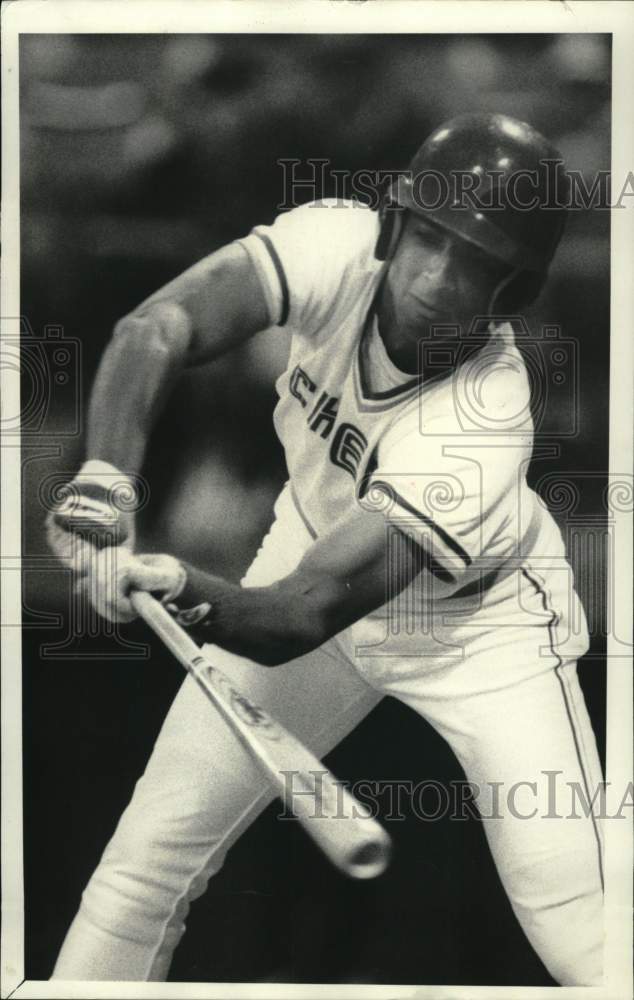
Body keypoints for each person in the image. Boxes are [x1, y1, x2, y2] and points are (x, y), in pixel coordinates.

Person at [47, 113, 604, 985]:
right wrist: (106, 479)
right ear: (394, 224)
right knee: (142, 864)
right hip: (308, 541)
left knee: (589, 933)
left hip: (482, 633)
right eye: (430, 238)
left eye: (477, 265)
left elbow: (297, 617)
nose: (437, 278)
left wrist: (176, 579)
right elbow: (157, 328)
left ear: (513, 294)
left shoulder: (489, 414)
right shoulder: (336, 244)